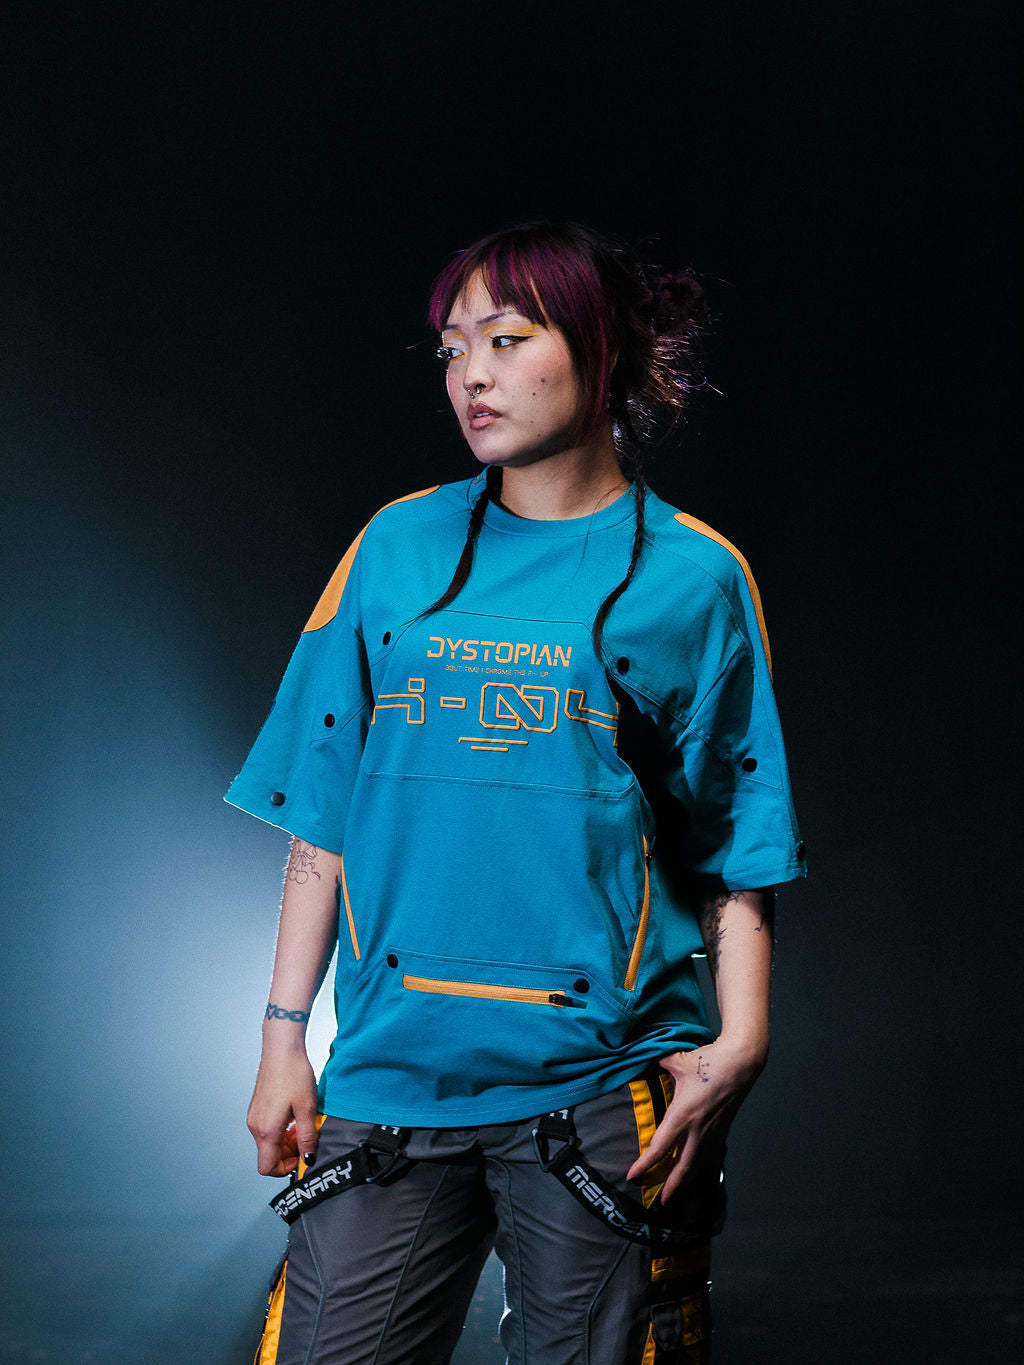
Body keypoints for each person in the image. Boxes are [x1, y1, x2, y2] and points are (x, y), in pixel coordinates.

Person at [227, 221, 806, 1365]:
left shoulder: (694, 577)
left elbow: (735, 841)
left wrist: (743, 1039)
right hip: (392, 1072)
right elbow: (323, 815)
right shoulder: (394, 547)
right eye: (453, 349)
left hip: (601, 1086)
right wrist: (284, 1036)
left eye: (505, 338)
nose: (471, 377)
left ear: (603, 351)